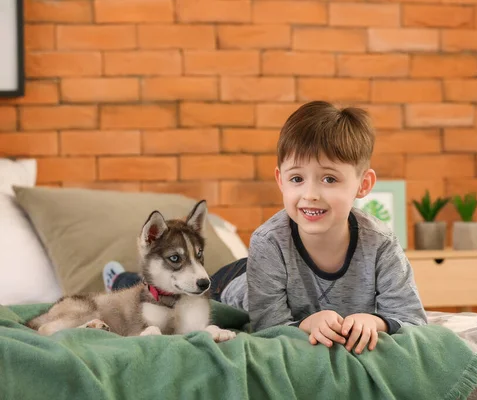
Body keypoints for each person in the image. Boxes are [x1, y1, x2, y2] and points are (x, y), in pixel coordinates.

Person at [105, 100, 427, 354]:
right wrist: (308, 322)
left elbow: (411, 316)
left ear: (363, 184)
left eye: (329, 178)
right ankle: (122, 278)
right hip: (237, 281)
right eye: (297, 179)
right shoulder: (268, 241)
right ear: (280, 181)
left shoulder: (380, 243)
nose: (310, 194)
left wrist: (375, 321)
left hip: (272, 273)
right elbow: (266, 324)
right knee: (171, 291)